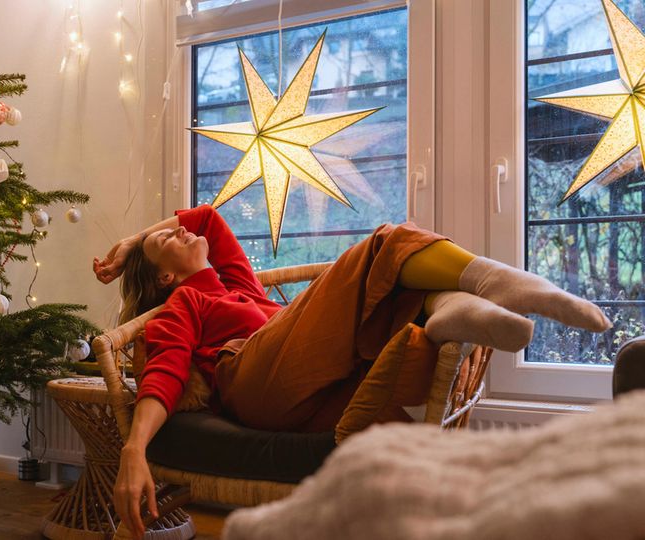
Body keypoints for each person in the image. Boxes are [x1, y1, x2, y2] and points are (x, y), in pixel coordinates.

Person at [92, 204, 610, 539]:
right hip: (249, 376)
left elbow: (203, 216)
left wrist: (130, 242)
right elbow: (164, 373)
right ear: (165, 274)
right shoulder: (183, 302)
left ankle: (440, 308)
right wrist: (134, 449)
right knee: (385, 241)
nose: (178, 229)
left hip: (306, 388)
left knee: (395, 305)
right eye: (167, 240)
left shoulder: (236, 284)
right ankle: (489, 284)